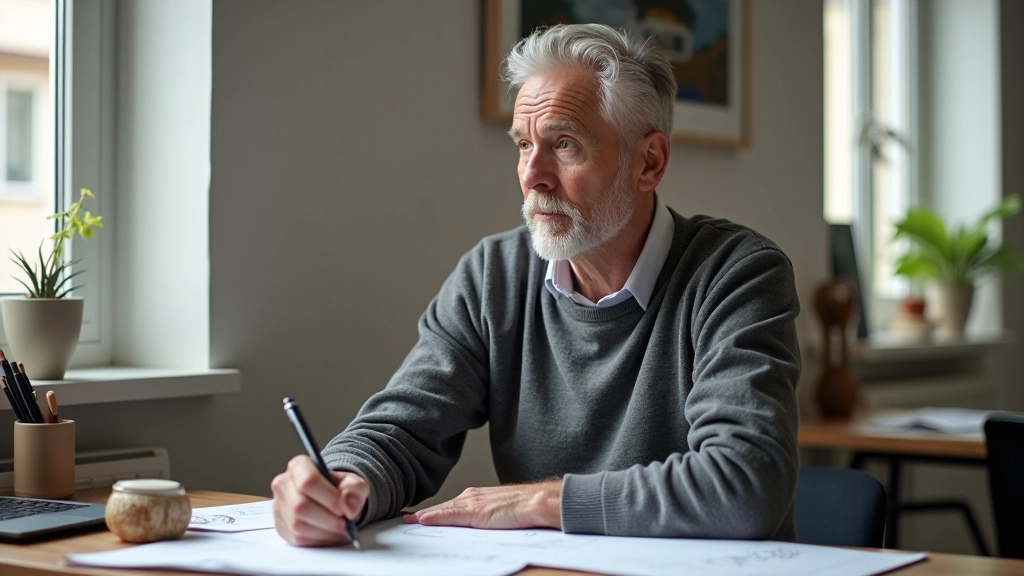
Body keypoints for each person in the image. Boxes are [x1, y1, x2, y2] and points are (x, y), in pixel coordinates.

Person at [271, 23, 801, 547]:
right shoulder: (492, 275)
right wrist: (341, 483)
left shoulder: (737, 274)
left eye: (564, 144)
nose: (532, 175)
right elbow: (404, 429)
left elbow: (746, 481)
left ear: (649, 161)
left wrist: (539, 502)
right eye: (524, 144)